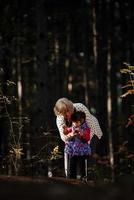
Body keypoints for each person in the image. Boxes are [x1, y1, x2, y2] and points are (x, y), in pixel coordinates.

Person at [53, 97, 103, 178]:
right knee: (72, 158)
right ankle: (72, 180)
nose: (68, 114)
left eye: (68, 111)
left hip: (91, 132)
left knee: (87, 156)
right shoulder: (59, 118)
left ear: (71, 107)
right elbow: (64, 137)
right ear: (60, 113)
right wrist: (71, 134)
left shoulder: (80, 107)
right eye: (64, 113)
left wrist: (85, 144)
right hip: (73, 137)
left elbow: (90, 127)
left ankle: (89, 180)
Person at [63, 111, 91, 179]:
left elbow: (87, 138)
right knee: (72, 164)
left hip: (82, 150)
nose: (74, 124)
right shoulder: (73, 126)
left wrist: (82, 134)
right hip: (73, 149)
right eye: (73, 122)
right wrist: (65, 129)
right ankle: (71, 178)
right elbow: (67, 131)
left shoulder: (86, 128)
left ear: (82, 120)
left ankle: (83, 177)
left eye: (76, 122)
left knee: (82, 164)